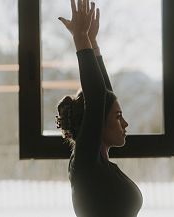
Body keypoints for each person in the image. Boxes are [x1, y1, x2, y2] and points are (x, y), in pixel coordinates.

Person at [56, 0, 143, 216]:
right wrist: (80, 37)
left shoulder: (100, 164)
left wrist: (93, 42)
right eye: (118, 117)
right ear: (97, 124)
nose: (125, 123)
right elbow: (97, 99)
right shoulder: (84, 164)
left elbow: (103, 97)